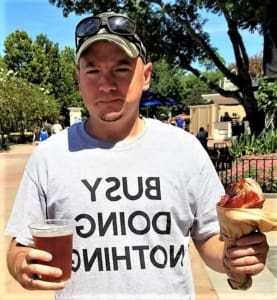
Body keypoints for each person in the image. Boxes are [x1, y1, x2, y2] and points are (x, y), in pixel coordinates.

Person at [5, 11, 269, 300]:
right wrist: (20, 264)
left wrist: (234, 258)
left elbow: (208, 238)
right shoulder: (50, 156)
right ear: (77, 77)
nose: (106, 84)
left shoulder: (184, 149)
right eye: (92, 71)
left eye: (121, 69)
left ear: (145, 76)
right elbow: (20, 245)